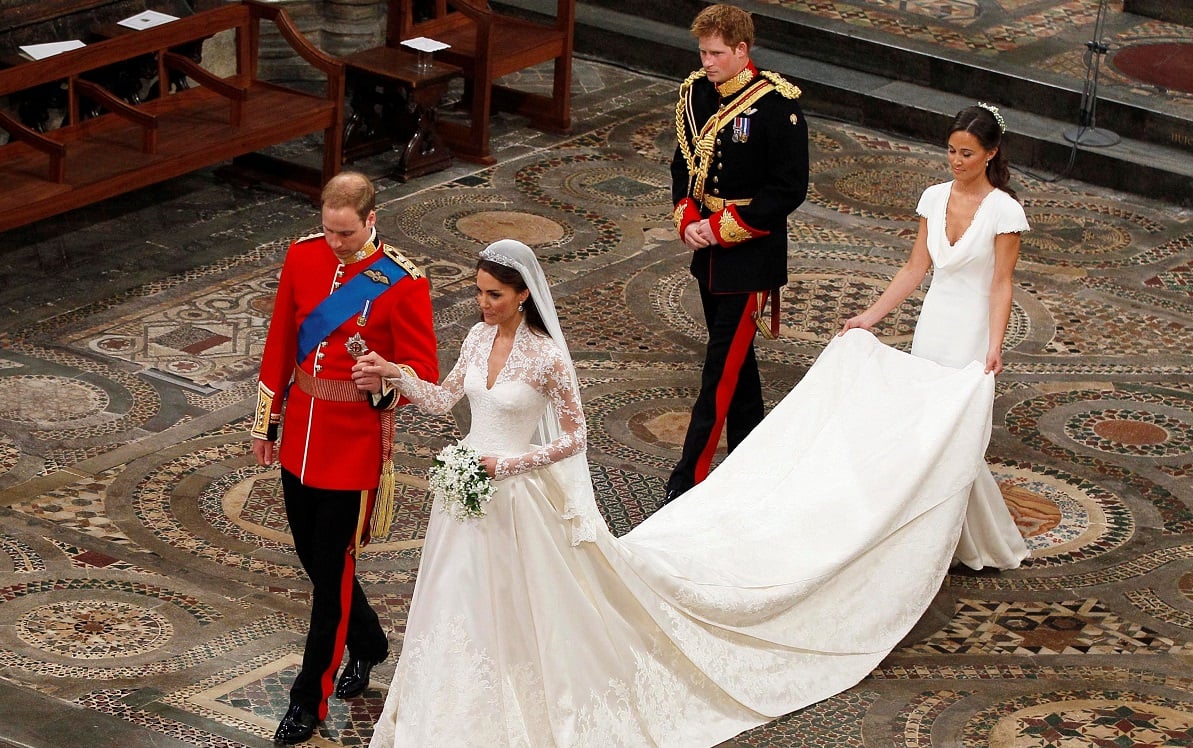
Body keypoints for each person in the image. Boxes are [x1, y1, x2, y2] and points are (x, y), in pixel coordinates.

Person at [356, 239, 999, 746]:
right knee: (454, 601)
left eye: (493, 295)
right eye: (478, 293)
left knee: (524, 603)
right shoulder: (473, 339)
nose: (482, 304)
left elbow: (573, 440)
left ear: (523, 295)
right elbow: (445, 401)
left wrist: (512, 462)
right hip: (465, 497)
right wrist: (396, 374)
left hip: (516, 495)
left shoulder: (547, 359)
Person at [251, 171, 439, 745]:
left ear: (371, 219)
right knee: (314, 558)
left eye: (347, 233)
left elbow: (423, 375)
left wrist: (384, 377)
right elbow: (282, 338)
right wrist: (268, 422)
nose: (336, 243)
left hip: (353, 446)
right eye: (328, 231)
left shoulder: (402, 284)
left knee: (331, 574)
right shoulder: (302, 258)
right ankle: (371, 641)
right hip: (303, 432)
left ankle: (309, 699)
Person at [841, 103, 1031, 570]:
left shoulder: (1005, 211)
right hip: (935, 324)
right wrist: (871, 316)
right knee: (927, 430)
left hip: (971, 330)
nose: (956, 161)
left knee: (952, 433)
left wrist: (995, 344)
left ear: (991, 153)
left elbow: (1001, 282)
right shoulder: (932, 197)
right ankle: (931, 537)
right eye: (951, 150)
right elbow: (915, 267)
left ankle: (946, 541)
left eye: (967, 153)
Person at [664, 4, 810, 504]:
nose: (707, 62)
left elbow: (789, 188)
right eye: (702, 52)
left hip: (750, 254)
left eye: (717, 53)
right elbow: (683, 164)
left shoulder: (776, 106)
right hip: (707, 251)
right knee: (739, 370)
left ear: (743, 50)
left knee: (719, 371)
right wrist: (687, 218)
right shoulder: (696, 94)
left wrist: (722, 229)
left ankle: (688, 483)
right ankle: (753, 464)